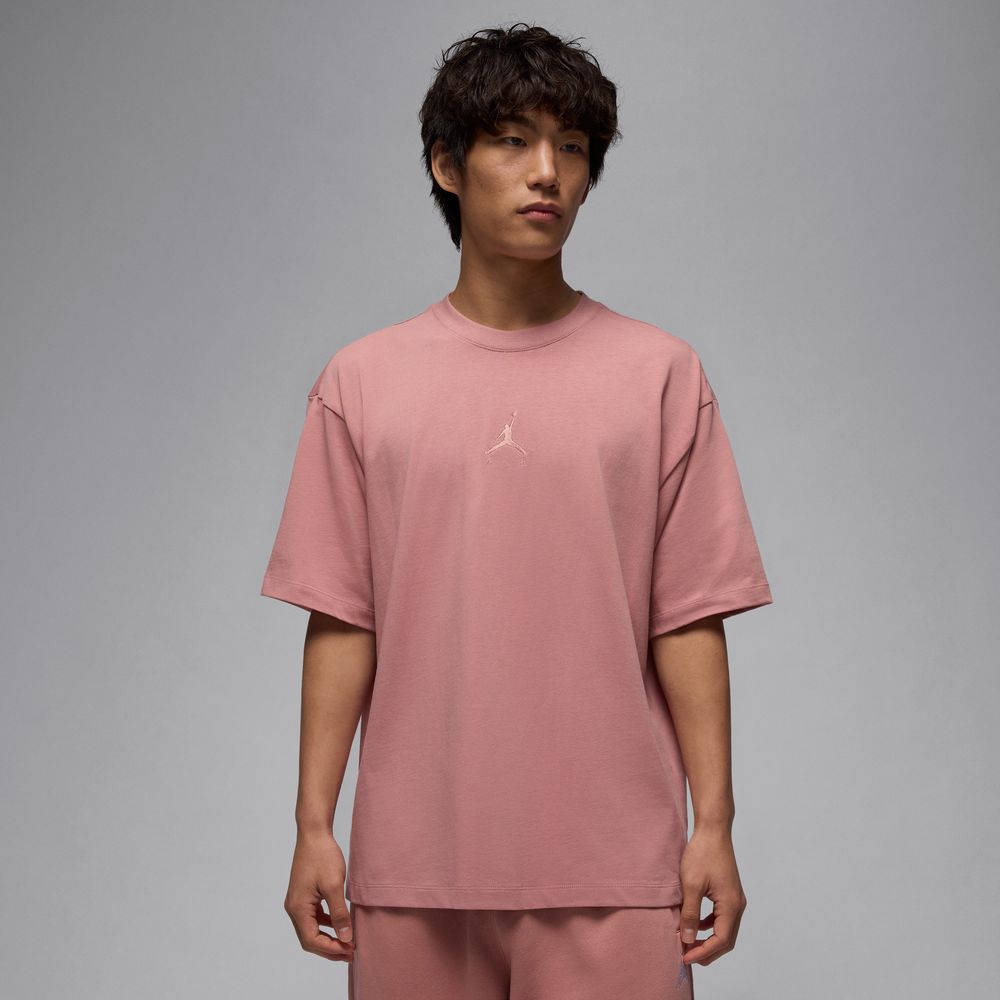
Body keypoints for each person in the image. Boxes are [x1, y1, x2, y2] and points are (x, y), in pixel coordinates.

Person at [260, 21, 774, 1000]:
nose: (547, 172)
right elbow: (343, 615)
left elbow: (687, 615)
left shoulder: (660, 375)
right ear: (446, 166)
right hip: (413, 868)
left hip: (619, 870)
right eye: (512, 140)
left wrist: (714, 823)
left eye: (571, 146)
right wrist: (313, 825)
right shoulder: (362, 382)